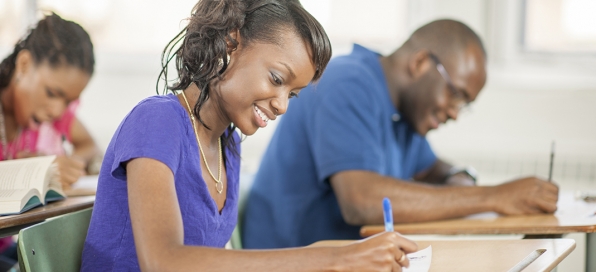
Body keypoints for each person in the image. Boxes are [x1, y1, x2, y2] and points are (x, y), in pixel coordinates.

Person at [81, 0, 417, 271]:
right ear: (230, 44)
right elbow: (165, 261)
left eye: (293, 94)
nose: (283, 105)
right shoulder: (157, 120)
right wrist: (336, 259)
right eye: (276, 79)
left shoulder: (228, 145)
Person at [242, 19, 560, 249]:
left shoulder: (405, 114)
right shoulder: (347, 83)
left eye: (464, 106)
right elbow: (363, 201)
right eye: (456, 95)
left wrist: (459, 176)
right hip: (291, 260)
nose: (453, 112)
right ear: (421, 63)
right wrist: (495, 197)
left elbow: (433, 169)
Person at [0, 13, 98, 268]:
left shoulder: (49, 115)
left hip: (14, 243)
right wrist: (33, 169)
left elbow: (90, 146)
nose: (58, 110)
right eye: (53, 93)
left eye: (68, 101)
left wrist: (67, 164)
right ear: (23, 65)